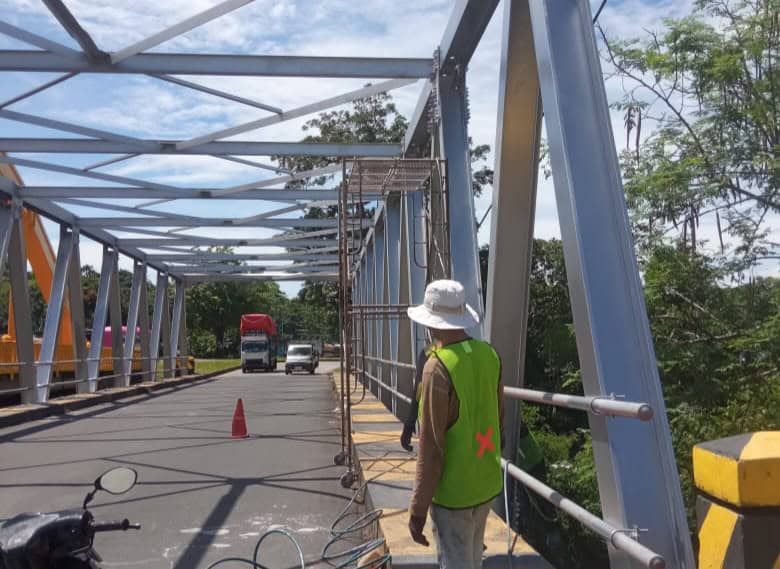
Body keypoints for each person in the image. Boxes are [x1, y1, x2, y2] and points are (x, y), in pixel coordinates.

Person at [405, 279, 504, 569]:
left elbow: (432, 447)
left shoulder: (437, 367)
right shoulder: (490, 355)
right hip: (485, 483)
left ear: (431, 322)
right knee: (473, 559)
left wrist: (418, 508)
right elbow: (498, 419)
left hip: (454, 494)